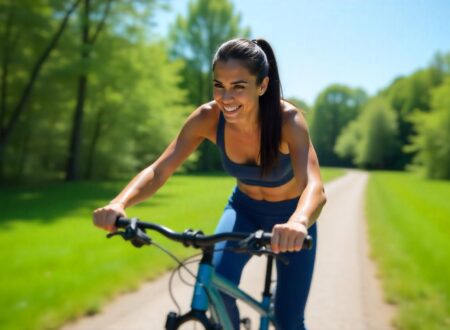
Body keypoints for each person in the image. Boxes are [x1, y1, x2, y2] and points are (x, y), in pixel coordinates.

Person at [93, 38, 326, 330]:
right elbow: (159, 169)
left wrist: (299, 222)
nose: (226, 97)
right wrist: (119, 203)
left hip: (292, 218)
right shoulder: (207, 118)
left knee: (289, 320)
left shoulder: (287, 120)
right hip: (245, 210)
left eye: (238, 86)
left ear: (262, 86)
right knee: (215, 288)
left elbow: (314, 187)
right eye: (219, 85)